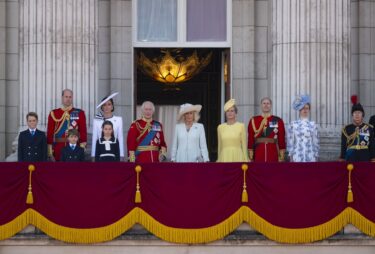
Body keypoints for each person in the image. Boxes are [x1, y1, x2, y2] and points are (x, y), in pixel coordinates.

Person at [47, 89, 87, 161]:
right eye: (66, 97)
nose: (68, 99)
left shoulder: (79, 113)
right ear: (62, 98)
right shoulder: (54, 113)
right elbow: (50, 133)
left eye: (70, 97)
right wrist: (50, 152)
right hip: (58, 149)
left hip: (75, 150)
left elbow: (83, 132)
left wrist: (82, 149)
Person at [247, 97, 286, 162]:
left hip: (272, 151)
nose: (266, 105)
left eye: (268, 103)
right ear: (261, 105)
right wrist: (251, 155)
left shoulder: (277, 120)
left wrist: (281, 155)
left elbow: (281, 138)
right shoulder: (254, 120)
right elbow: (250, 138)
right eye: (264, 103)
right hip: (258, 151)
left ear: (271, 106)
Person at [91, 92, 124, 161]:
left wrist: (121, 155)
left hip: (114, 152)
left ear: (112, 106)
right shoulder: (97, 120)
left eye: (109, 104)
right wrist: (93, 155)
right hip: (101, 152)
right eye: (104, 105)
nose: (106, 107)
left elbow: (120, 137)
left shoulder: (118, 119)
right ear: (102, 107)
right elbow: (94, 138)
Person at [287, 95, 319, 162]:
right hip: (297, 155)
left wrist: (316, 155)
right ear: (299, 109)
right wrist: (291, 155)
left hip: (311, 155)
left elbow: (315, 141)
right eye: (303, 108)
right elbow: (290, 141)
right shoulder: (293, 124)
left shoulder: (313, 124)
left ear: (309, 110)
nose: (305, 110)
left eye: (307, 108)